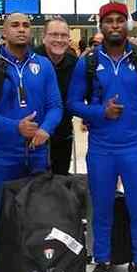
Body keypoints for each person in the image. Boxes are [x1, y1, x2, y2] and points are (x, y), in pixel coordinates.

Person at [68, 3, 137, 272]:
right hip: (102, 148)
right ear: (101, 26)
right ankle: (103, 261)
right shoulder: (88, 62)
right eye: (108, 21)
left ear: (127, 25)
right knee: (101, 207)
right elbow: (72, 102)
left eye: (119, 20)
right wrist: (99, 113)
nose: (114, 26)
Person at [0, 13, 62, 272]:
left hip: (37, 155)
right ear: (4, 31)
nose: (21, 30)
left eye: (26, 26)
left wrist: (45, 130)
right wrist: (16, 128)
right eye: (15, 25)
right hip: (1, 156)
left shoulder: (43, 64)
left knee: (35, 221)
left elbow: (56, 106)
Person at [35, 17, 78, 174]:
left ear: (69, 39)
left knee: (59, 186)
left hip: (62, 135)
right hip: (33, 135)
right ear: (44, 37)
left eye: (63, 35)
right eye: (54, 35)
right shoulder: (31, 59)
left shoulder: (75, 63)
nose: (59, 40)